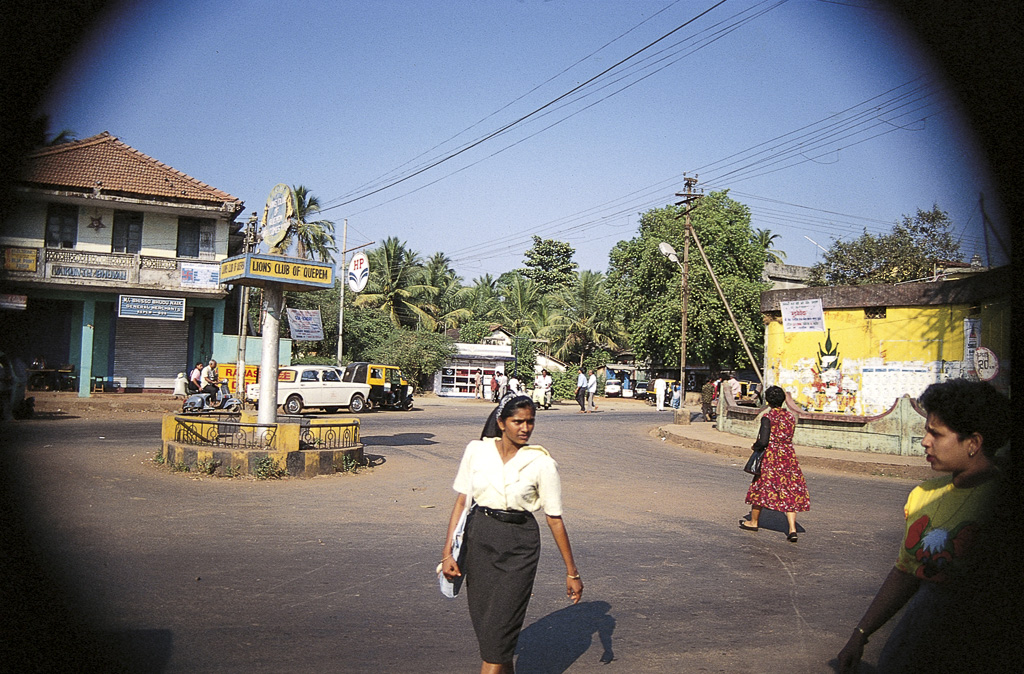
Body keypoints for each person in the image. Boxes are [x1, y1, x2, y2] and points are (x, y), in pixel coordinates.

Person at [836, 379, 1011, 673]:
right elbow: (905, 572)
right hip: (917, 639)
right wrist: (860, 634)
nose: (925, 441)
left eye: (936, 433)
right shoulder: (922, 496)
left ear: (973, 443)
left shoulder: (1003, 501)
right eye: (927, 431)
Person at [441, 394, 583, 673]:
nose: (525, 428)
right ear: (501, 422)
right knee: (490, 632)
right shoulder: (476, 451)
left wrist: (572, 572)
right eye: (518, 421)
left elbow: (554, 519)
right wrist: (447, 554)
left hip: (520, 546)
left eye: (530, 421)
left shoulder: (542, 463)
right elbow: (461, 503)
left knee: (500, 631)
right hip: (480, 539)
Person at [739, 385, 810, 542]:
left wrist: (755, 446)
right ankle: (792, 529)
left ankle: (753, 522)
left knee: (760, 487)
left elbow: (763, 441)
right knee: (790, 490)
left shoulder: (768, 417)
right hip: (788, 456)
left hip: (772, 457)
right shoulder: (790, 417)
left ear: (768, 401)